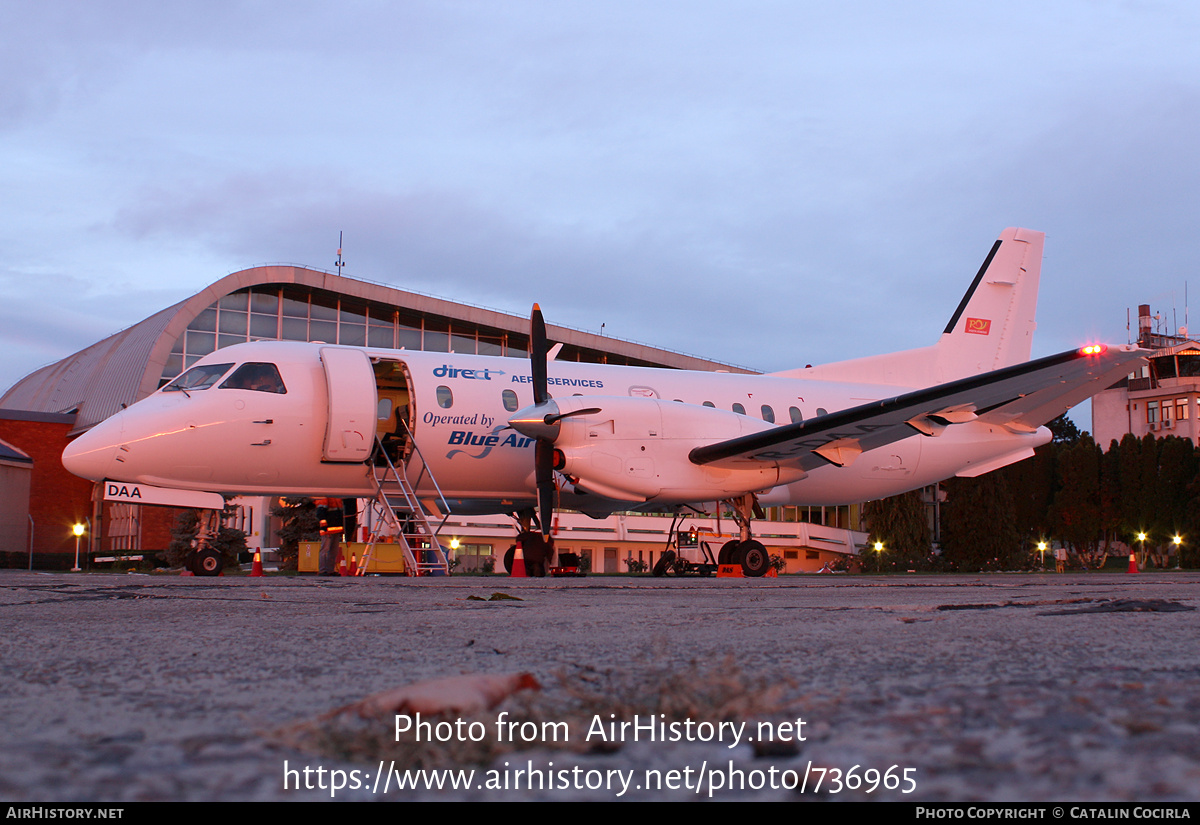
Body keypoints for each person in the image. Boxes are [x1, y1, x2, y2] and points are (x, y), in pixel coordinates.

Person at [316, 497, 344, 575]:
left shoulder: (336, 498)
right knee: (326, 549)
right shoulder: (326, 497)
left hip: (335, 528)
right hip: (328, 529)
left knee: (333, 551)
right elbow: (320, 512)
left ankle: (329, 570)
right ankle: (323, 570)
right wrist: (324, 527)